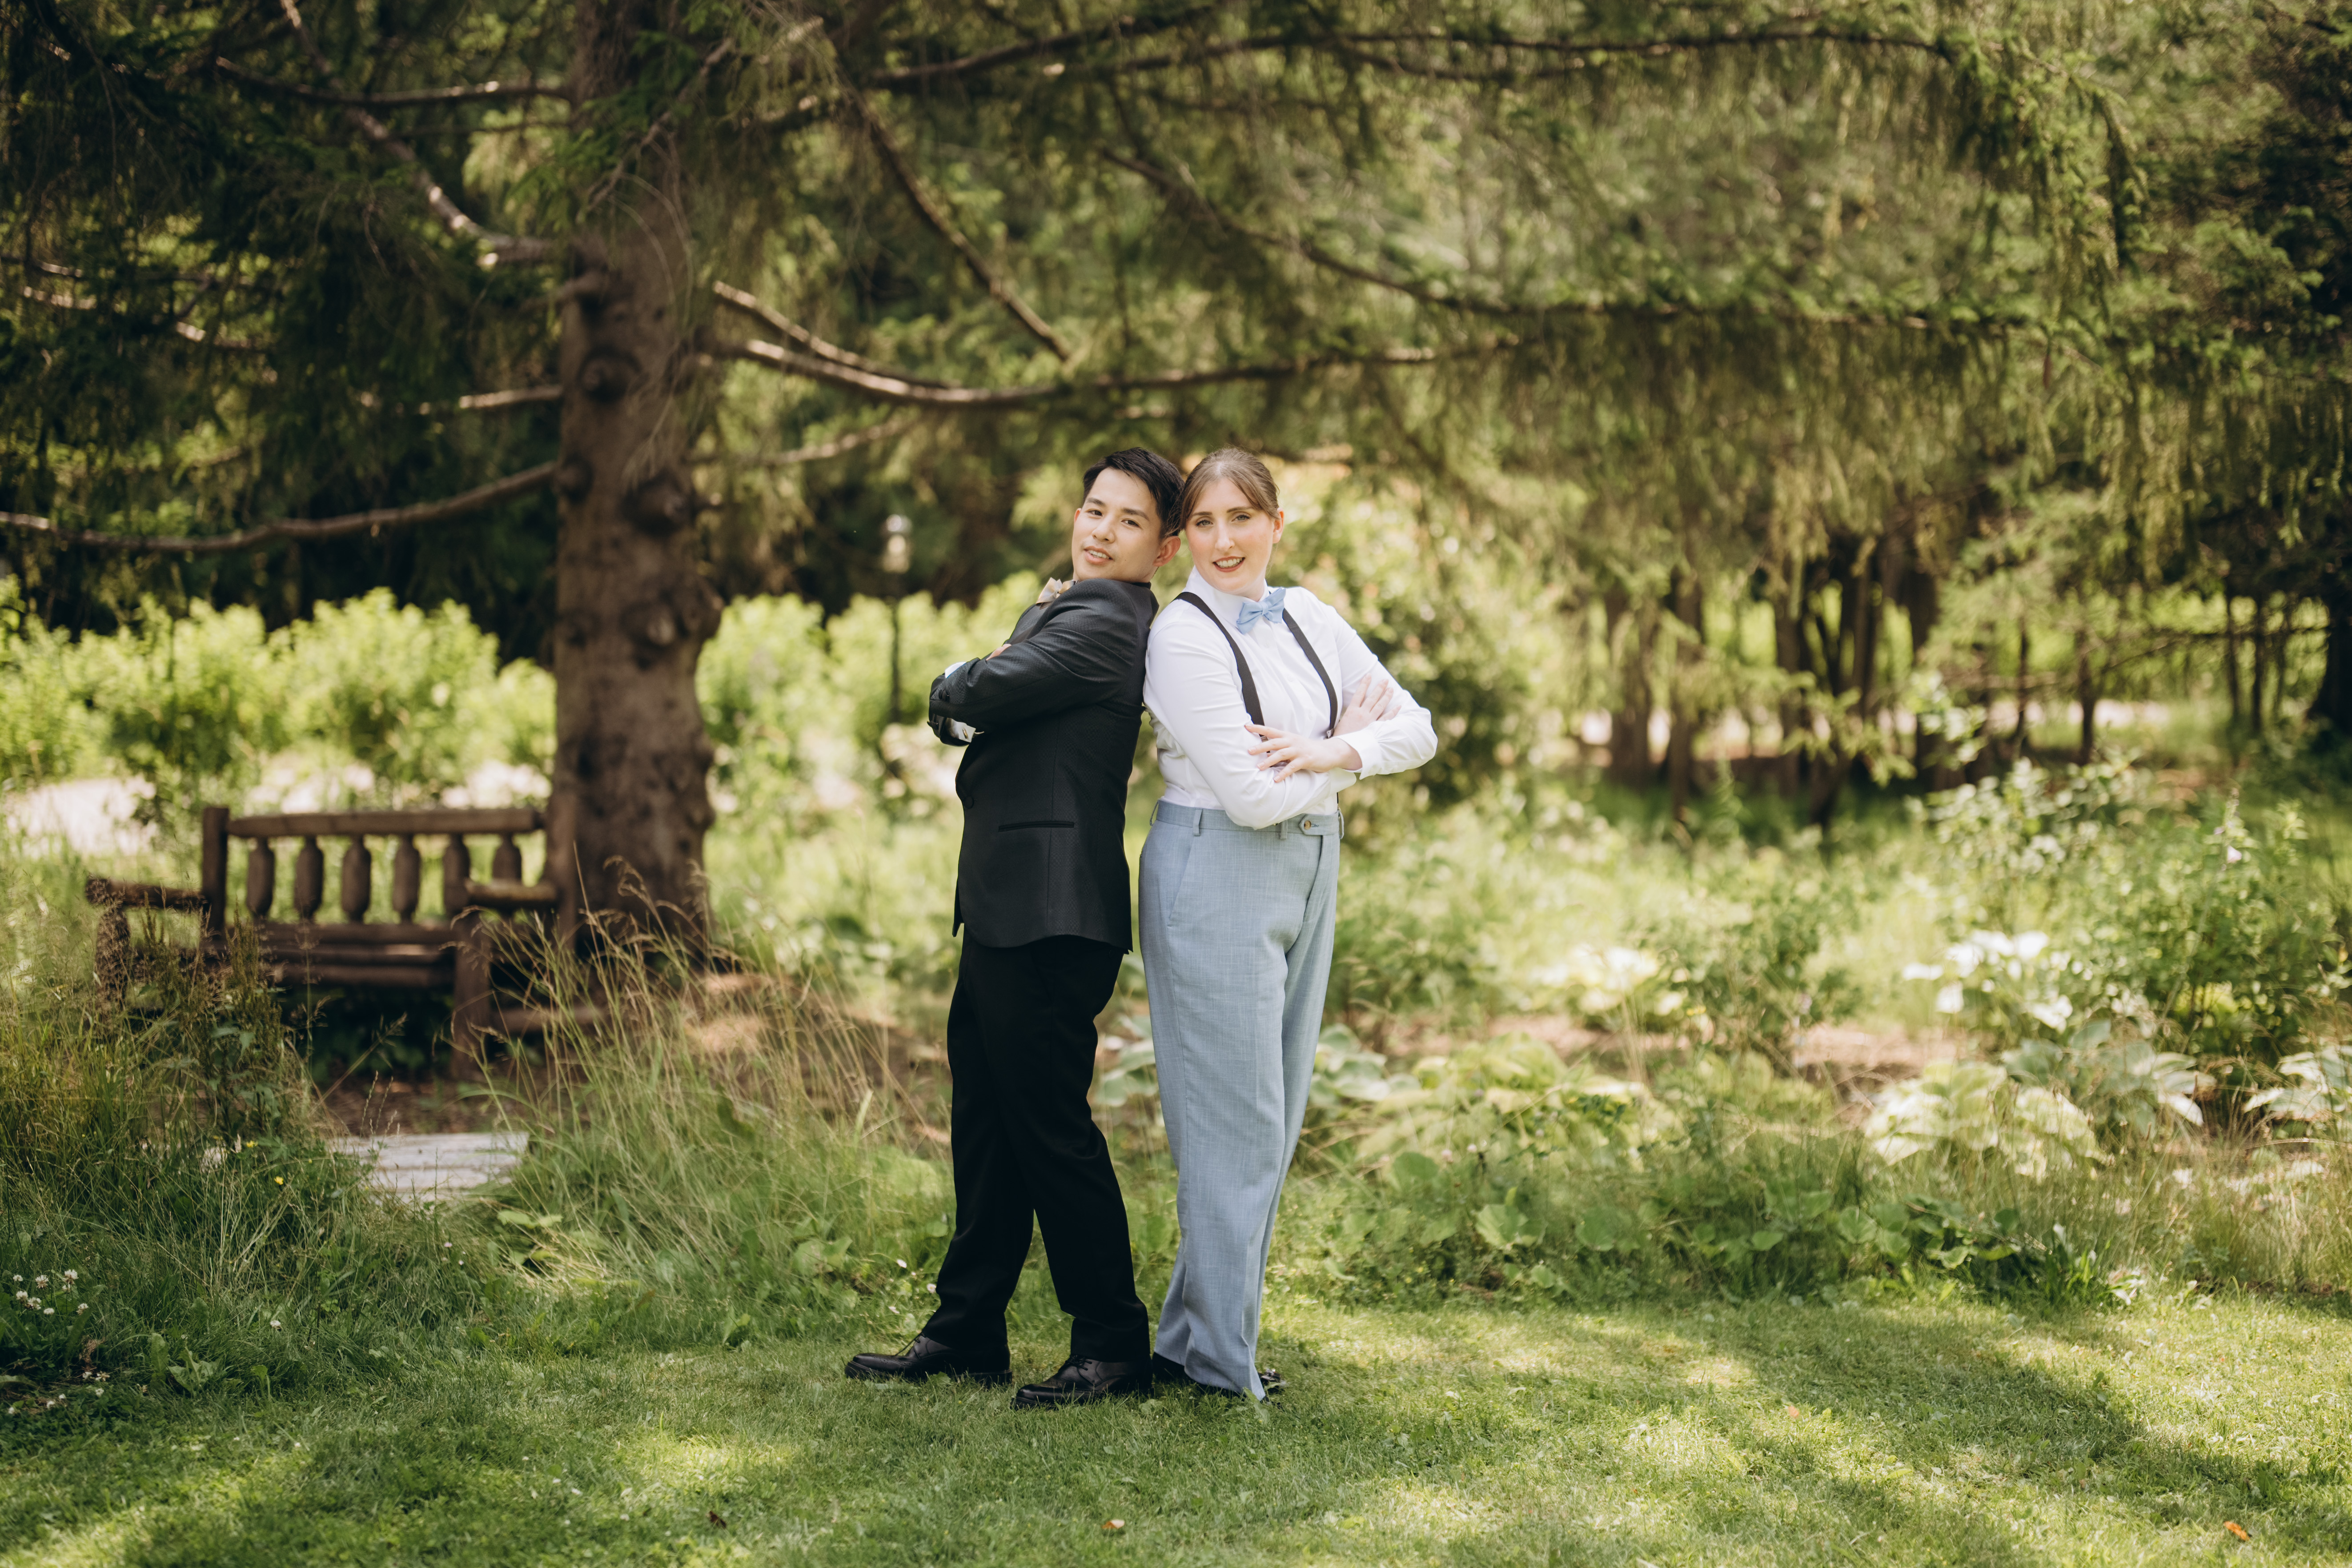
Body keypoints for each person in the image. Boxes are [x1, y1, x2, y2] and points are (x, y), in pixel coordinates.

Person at [844, 448, 1184, 1410]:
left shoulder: (1106, 619)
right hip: (1013, 906)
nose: (1101, 531)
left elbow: (977, 696)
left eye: (1128, 521)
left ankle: (1111, 1342)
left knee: (1048, 1129)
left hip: (1050, 913)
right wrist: (986, 676)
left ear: (1163, 547)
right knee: (988, 1125)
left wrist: (962, 677)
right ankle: (966, 1332)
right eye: (1093, 509)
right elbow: (996, 697)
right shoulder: (1077, 608)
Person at [1140, 448, 1438, 1401]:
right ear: (1184, 537)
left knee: (1274, 1112)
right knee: (1238, 1121)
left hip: (1310, 863)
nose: (1224, 541)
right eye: (1204, 523)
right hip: (1217, 864)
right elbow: (1251, 796)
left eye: (1242, 518)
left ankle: (1191, 1341)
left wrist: (1325, 751)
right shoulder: (1181, 637)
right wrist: (1349, 749)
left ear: (1277, 522)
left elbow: (1418, 729)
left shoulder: (1307, 614)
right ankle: (1222, 1364)